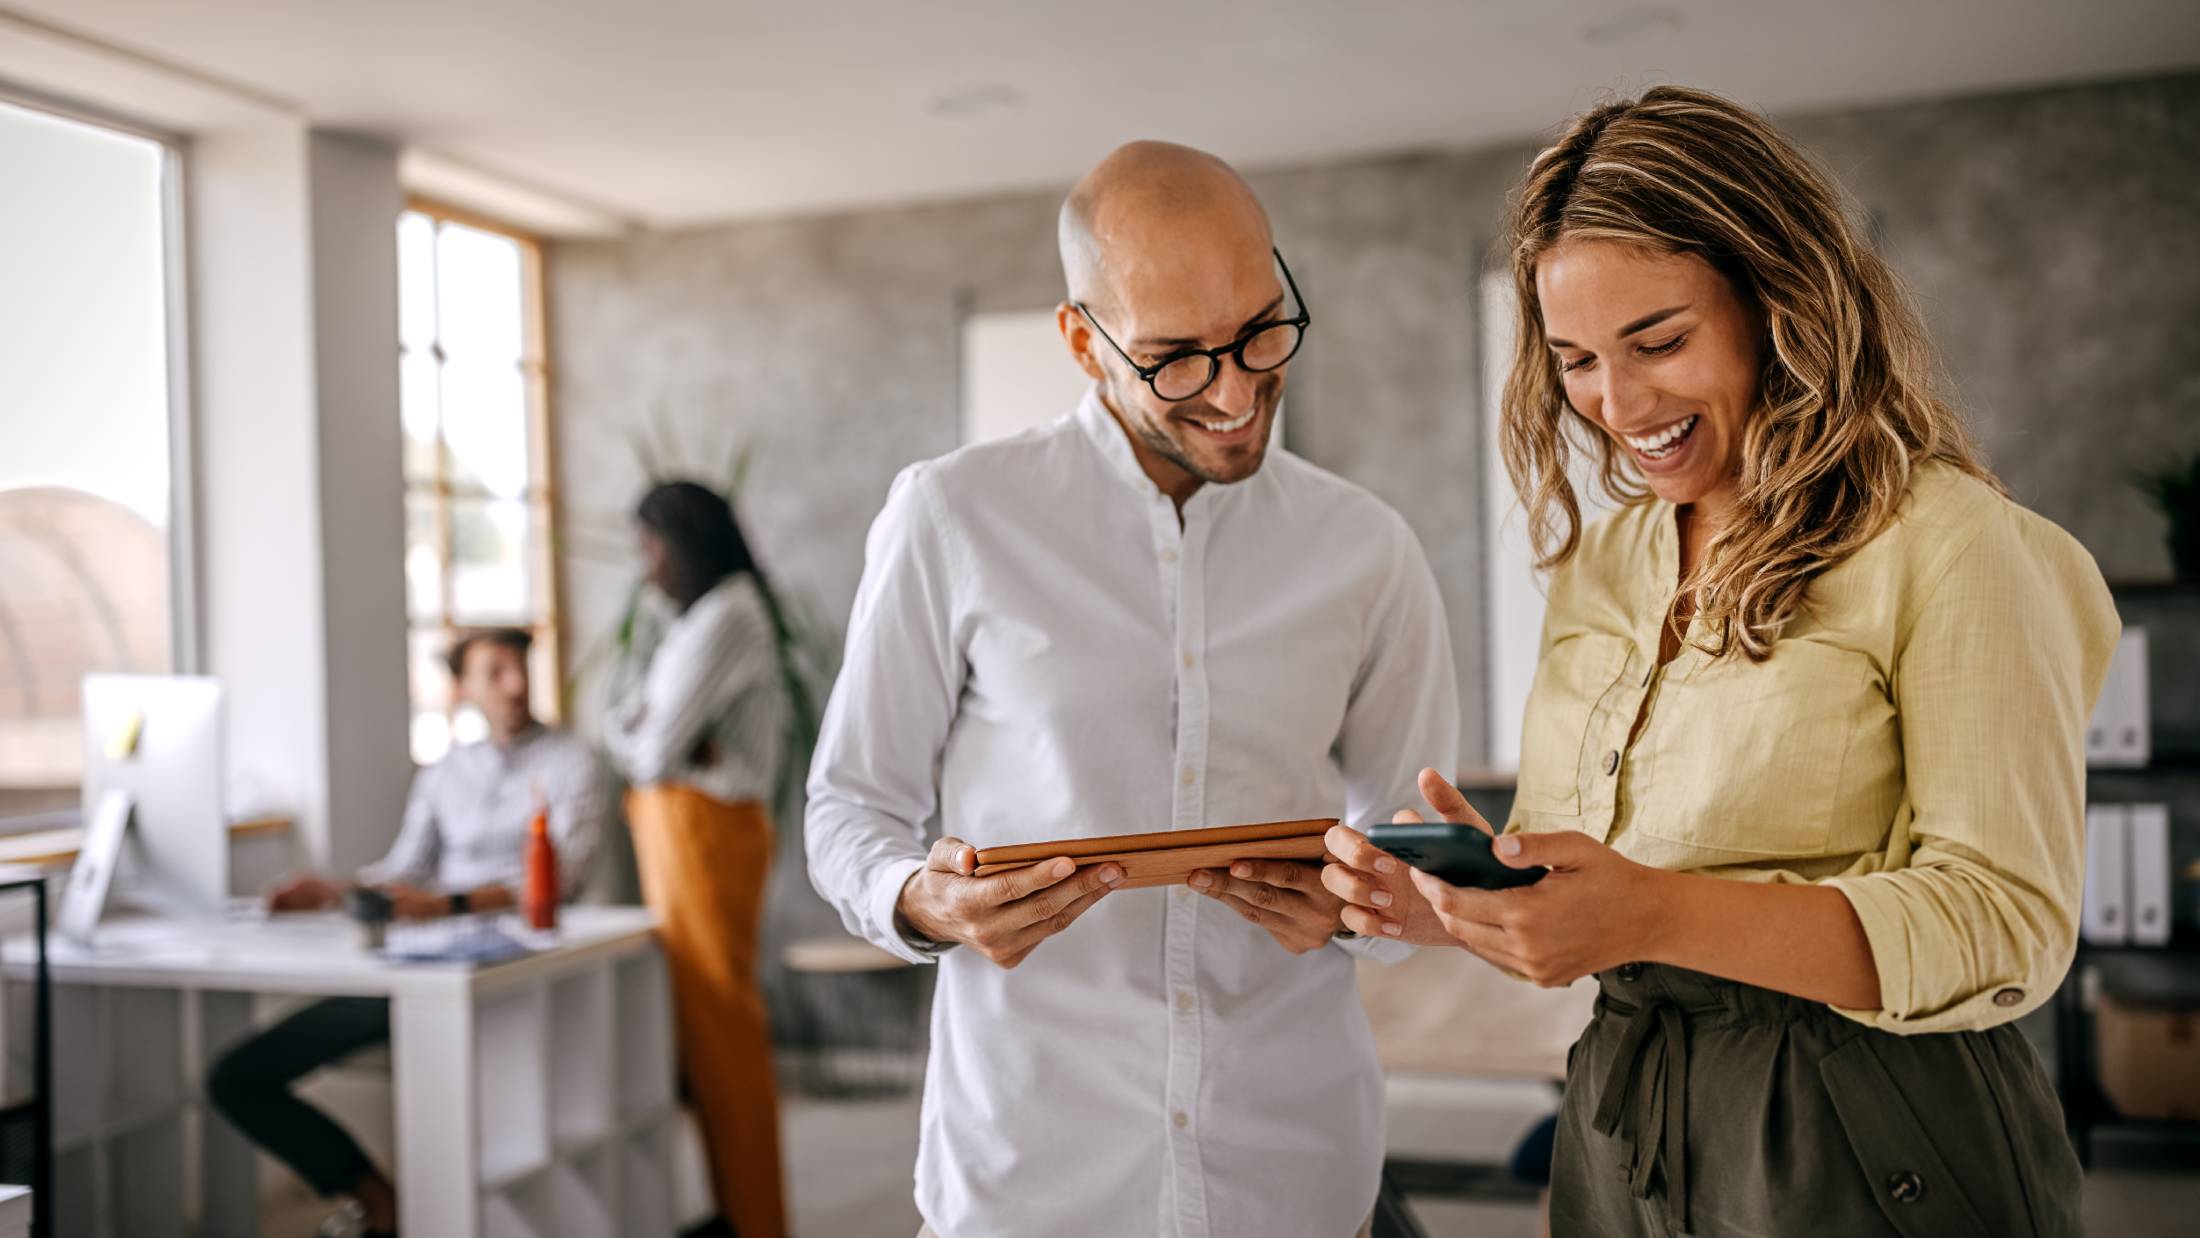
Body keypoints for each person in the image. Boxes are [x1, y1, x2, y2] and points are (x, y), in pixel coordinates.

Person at [1322, 86, 2119, 1237]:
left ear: (1777, 301)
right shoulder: (1605, 565)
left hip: (1867, 1129)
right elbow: (1593, 899)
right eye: (1577, 359)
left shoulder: (1954, 546)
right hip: (1623, 1126)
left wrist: (1652, 914)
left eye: (1659, 341)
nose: (1616, 402)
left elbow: (2003, 925)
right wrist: (1446, 906)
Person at [805, 141, 1459, 1238]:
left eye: (1261, 329)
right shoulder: (952, 516)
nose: (1236, 389)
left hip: (1297, 1170)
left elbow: (1415, 836)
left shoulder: (1367, 549)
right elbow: (847, 811)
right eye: (1176, 358)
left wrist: (1362, 905)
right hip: (1029, 1172)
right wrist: (928, 900)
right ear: (1081, 339)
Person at [208, 626, 606, 1238]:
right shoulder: (445, 772)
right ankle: (377, 1198)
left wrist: (444, 903)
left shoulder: (573, 762)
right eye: (496, 671)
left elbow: (564, 879)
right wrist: (336, 890)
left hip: (511, 971)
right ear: (462, 687)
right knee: (237, 1078)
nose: (518, 683)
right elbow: (402, 872)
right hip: (423, 967)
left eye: (522, 666)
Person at [603, 480, 789, 1238]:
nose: (646, 567)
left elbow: (644, 750)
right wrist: (650, 734)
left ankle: (754, 1221)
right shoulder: (693, 619)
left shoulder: (726, 616)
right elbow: (637, 724)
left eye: (651, 547)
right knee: (704, 1035)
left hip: (706, 834)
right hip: (685, 831)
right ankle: (735, 1213)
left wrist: (644, 736)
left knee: (723, 1035)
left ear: (684, 542)